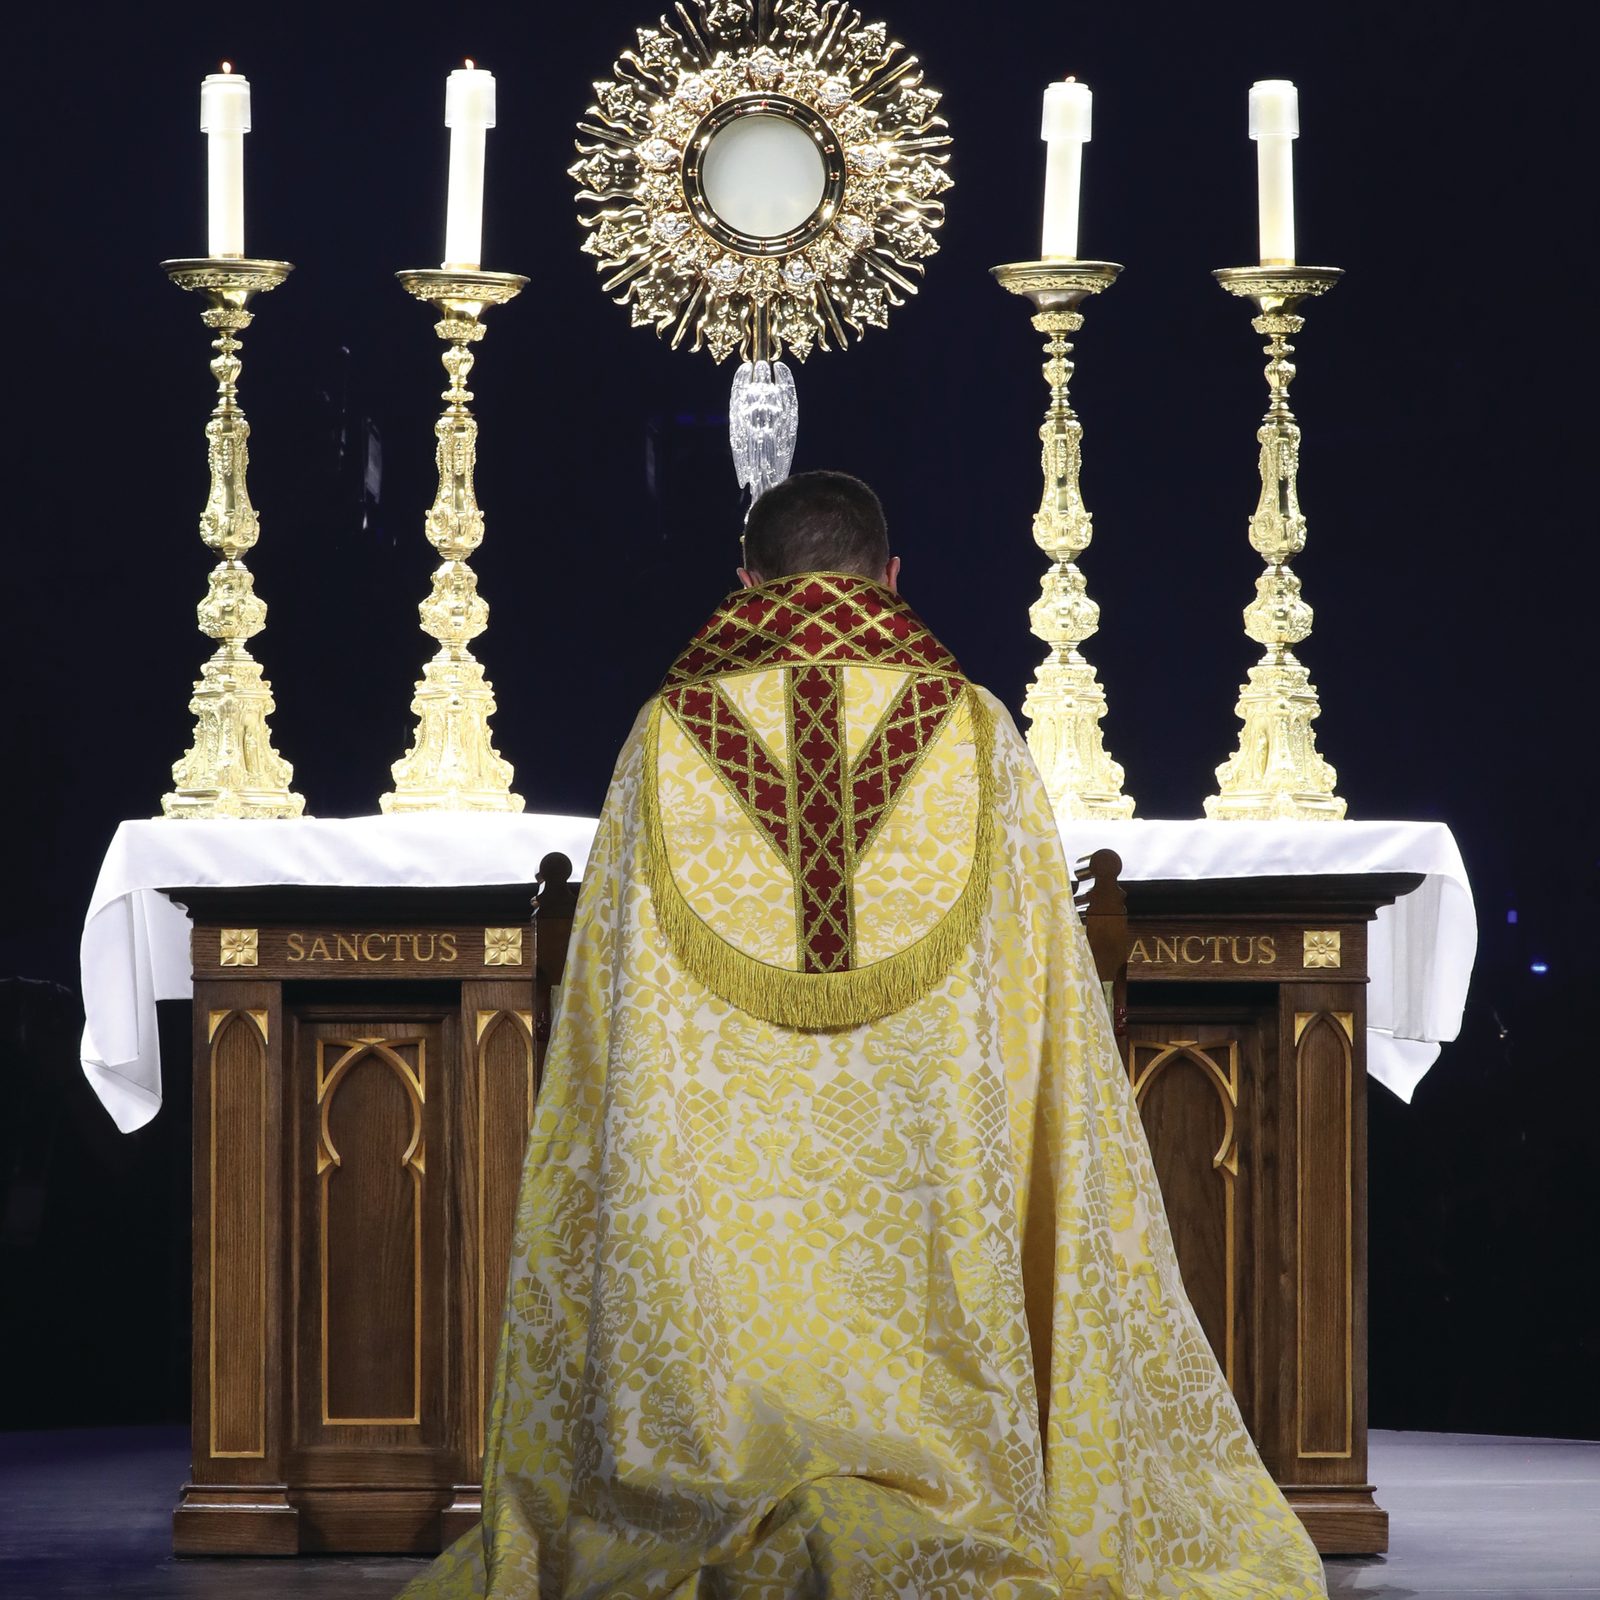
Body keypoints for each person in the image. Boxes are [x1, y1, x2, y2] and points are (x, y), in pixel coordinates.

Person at [400, 471, 1326, 1598]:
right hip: (934, 1183)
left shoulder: (663, 737)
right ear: (892, 579)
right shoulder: (979, 732)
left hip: (716, 1227)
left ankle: (698, 1478)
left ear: (746, 582)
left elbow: (608, 1022)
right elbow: (1050, 1009)